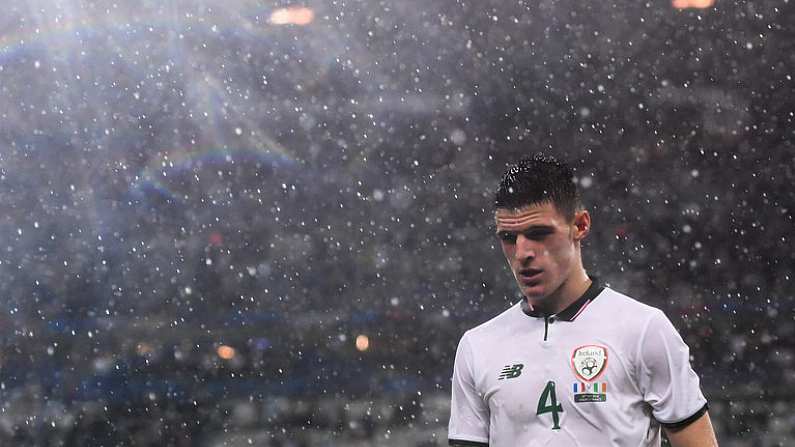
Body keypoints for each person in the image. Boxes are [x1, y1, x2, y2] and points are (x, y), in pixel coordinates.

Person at [448, 155, 718, 446]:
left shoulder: (643, 330)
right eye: (508, 237)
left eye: (538, 233)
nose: (523, 252)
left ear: (580, 225)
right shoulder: (478, 346)